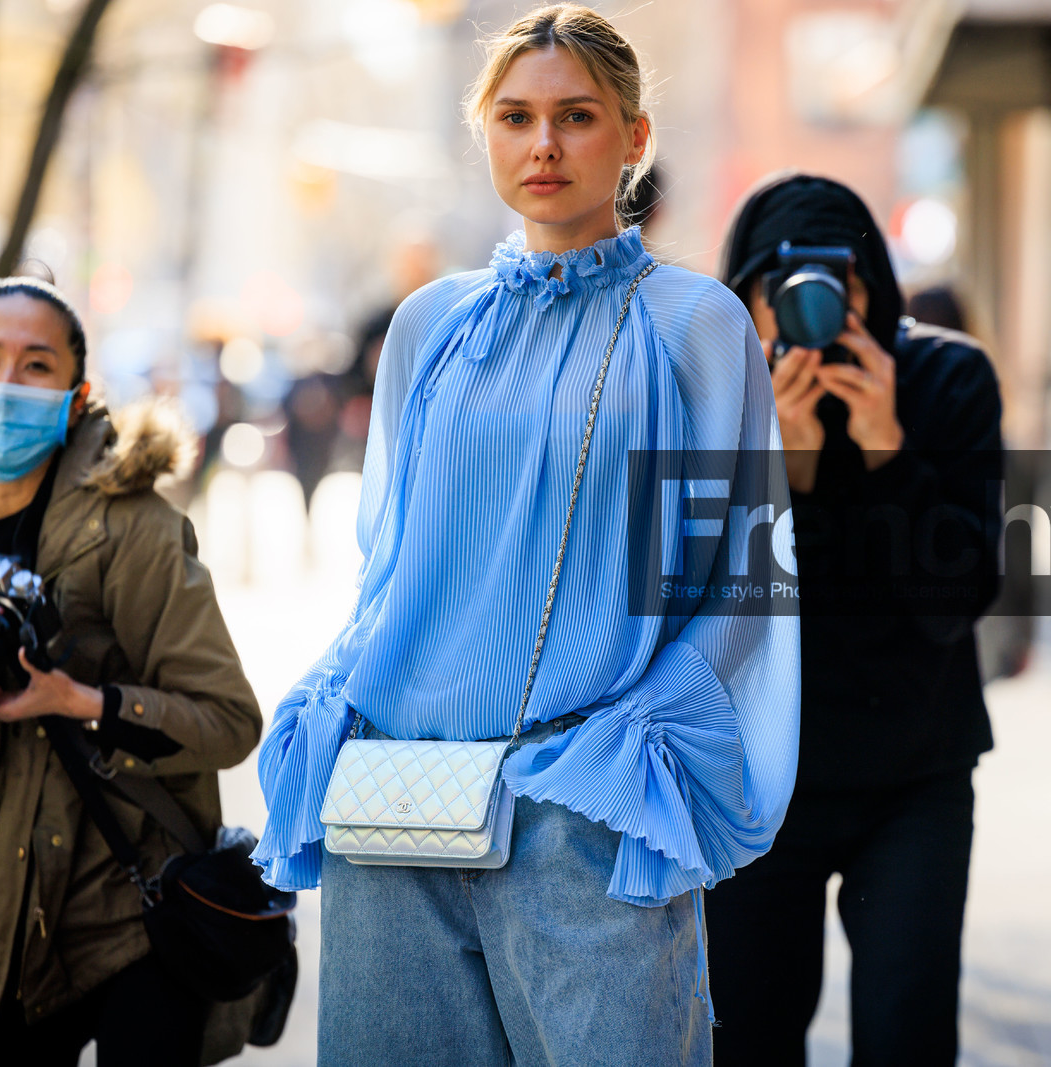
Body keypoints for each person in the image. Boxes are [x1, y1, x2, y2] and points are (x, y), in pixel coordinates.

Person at [250, 6, 799, 1065]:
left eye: (576, 116)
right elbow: (391, 558)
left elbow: (741, 577)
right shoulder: (429, 323)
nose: (543, 144)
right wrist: (342, 701)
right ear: (484, 132)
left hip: (580, 802)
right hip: (396, 799)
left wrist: (627, 744)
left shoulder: (693, 324)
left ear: (633, 138)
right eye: (515, 116)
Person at [0, 277, 262, 1066]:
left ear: (77, 396)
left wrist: (81, 699)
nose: (8, 384)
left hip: (134, 913)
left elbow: (229, 720)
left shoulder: (136, 530)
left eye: (37, 365)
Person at [705, 173, 1003, 1066]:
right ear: (744, 301)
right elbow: (708, 617)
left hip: (913, 776)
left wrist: (886, 450)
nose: (813, 314)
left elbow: (958, 603)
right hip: (756, 777)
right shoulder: (711, 396)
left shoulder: (946, 379)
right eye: (782, 288)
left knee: (906, 1033)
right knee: (747, 1037)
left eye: (838, 285)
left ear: (874, 289)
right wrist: (780, 474)